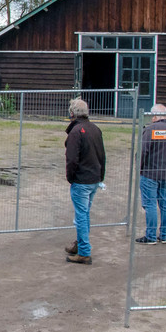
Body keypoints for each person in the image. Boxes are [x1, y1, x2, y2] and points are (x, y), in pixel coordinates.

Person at [64, 98, 106, 265]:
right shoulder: (95, 129)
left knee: (81, 216)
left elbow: (72, 159)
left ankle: (84, 252)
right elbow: (102, 155)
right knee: (84, 214)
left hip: (82, 180)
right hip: (94, 178)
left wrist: (71, 177)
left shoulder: (76, 132)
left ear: (72, 113)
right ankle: (80, 245)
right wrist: (100, 175)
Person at [136, 104, 166, 245]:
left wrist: (140, 167)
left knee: (150, 205)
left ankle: (150, 236)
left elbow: (142, 151)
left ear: (154, 116)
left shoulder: (150, 130)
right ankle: (165, 235)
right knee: (165, 204)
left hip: (150, 173)